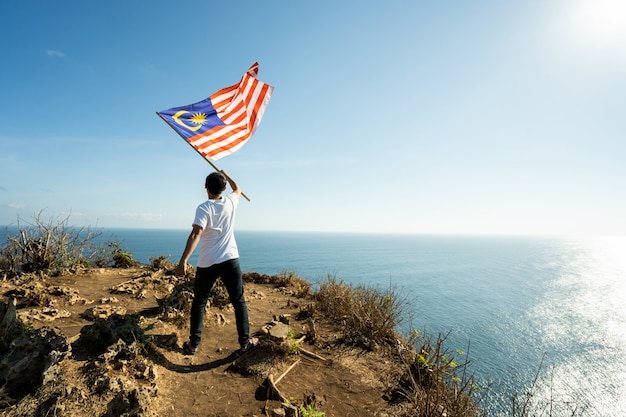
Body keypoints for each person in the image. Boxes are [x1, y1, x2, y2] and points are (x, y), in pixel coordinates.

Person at [174, 170, 258, 355]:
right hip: (230, 259)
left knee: (199, 303)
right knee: (238, 301)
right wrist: (226, 174)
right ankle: (245, 343)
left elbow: (196, 233)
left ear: (205, 187)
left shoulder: (204, 208)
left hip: (208, 262)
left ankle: (193, 345)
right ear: (224, 187)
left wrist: (184, 261)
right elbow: (238, 188)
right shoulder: (230, 201)